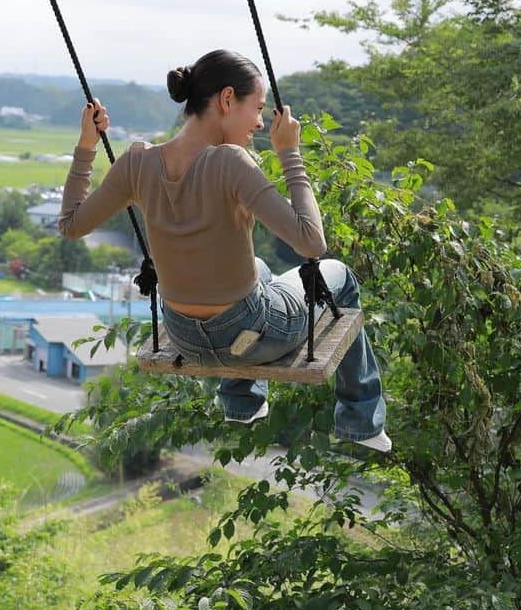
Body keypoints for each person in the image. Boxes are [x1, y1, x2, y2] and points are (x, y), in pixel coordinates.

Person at [57, 49, 390, 451]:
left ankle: (241, 403)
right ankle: (361, 422)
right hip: (254, 332)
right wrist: (290, 153)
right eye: (258, 108)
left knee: (258, 266)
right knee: (339, 276)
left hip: (183, 335)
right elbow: (311, 243)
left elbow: (71, 226)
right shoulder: (231, 162)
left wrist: (86, 145)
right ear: (227, 99)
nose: (261, 123)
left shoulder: (137, 162)